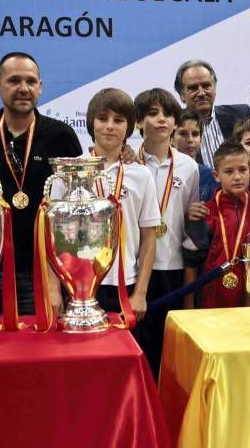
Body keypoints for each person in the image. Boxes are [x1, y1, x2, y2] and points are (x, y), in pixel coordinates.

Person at [0, 52, 81, 315]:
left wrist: (56, 280)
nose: (23, 89)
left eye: (30, 81)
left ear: (40, 86)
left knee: (38, 352)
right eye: (14, 81)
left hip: (41, 271)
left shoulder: (61, 136)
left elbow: (73, 212)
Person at [75, 88, 158, 325]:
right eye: (103, 119)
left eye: (118, 120)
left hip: (125, 283)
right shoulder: (70, 170)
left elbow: (149, 237)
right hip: (78, 282)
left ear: (129, 127)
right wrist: (52, 288)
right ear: (91, 123)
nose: (109, 126)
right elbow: (51, 236)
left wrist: (140, 293)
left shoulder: (141, 175)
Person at [133, 88, 199, 375]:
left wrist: (193, 215)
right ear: (138, 122)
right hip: (135, 269)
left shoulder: (189, 166)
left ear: (175, 122)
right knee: (139, 346)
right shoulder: (128, 164)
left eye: (167, 114)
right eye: (152, 114)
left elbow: (188, 218)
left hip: (172, 265)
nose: (161, 120)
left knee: (168, 347)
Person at [183, 140, 250, 308]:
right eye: (229, 171)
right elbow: (191, 264)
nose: (237, 177)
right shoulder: (206, 213)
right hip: (210, 303)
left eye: (242, 170)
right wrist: (188, 307)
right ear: (216, 175)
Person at [174, 59, 250, 165]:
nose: (201, 93)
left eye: (206, 86)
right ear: (182, 95)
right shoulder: (174, 126)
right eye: (193, 88)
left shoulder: (241, 114)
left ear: (214, 89)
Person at [174, 108, 216, 202]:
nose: (190, 140)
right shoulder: (163, 173)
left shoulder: (210, 176)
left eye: (195, 134)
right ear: (171, 138)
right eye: (183, 134)